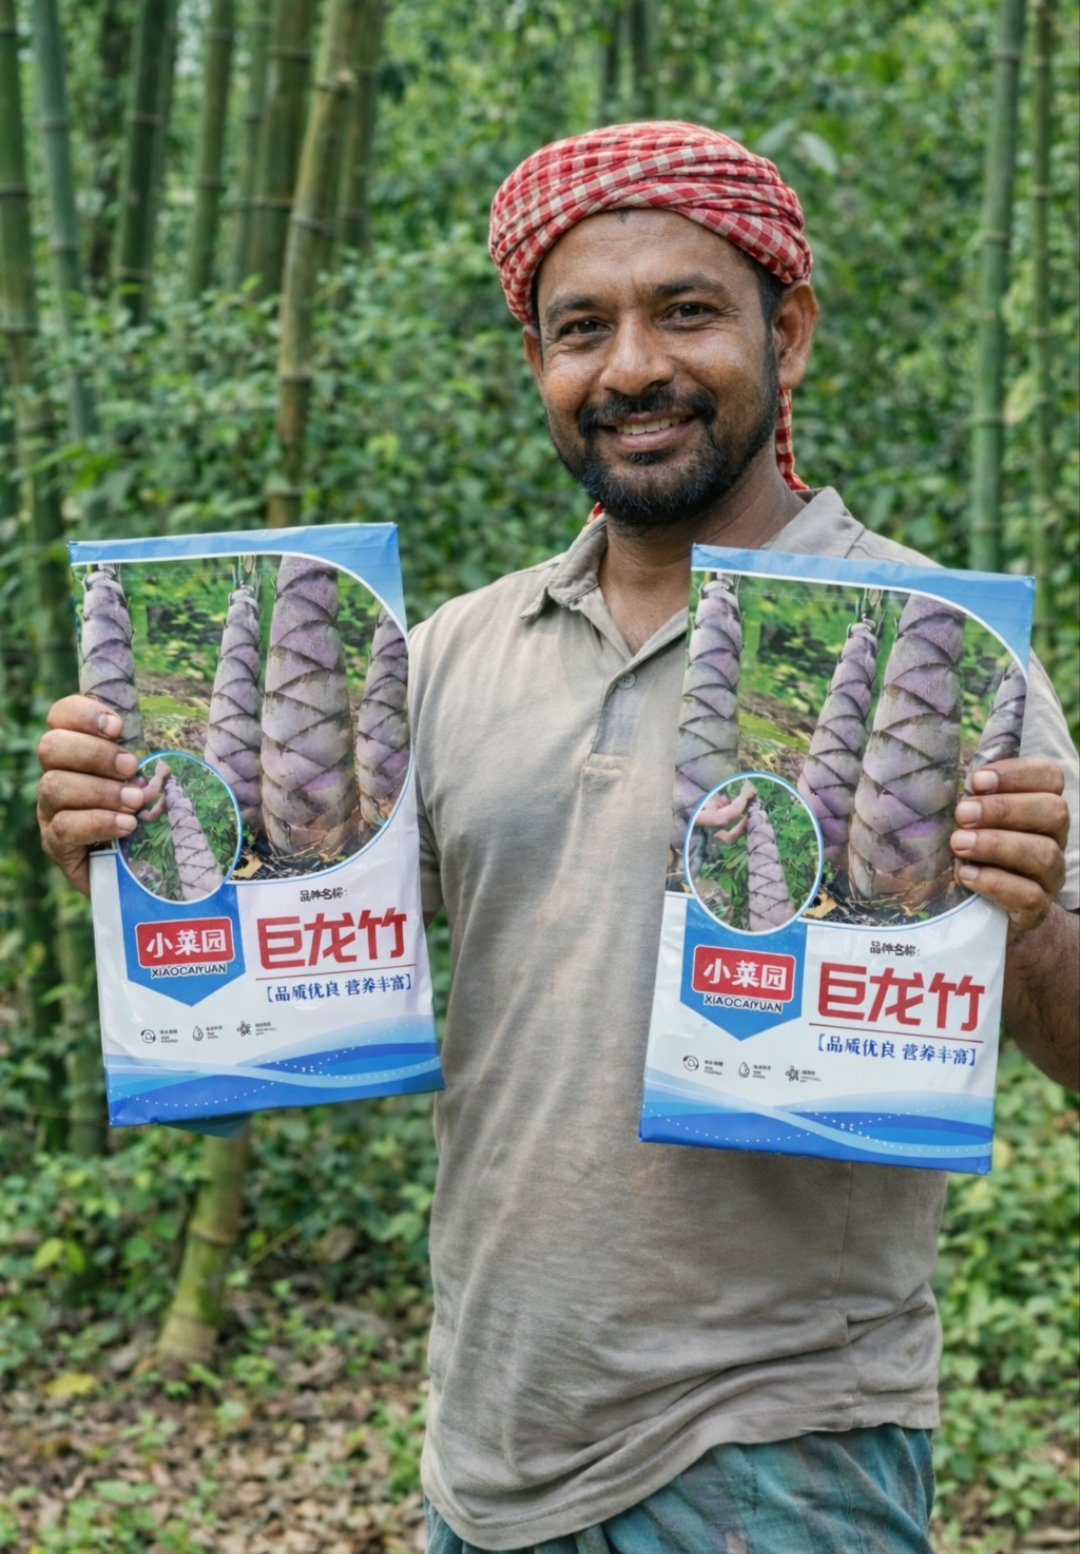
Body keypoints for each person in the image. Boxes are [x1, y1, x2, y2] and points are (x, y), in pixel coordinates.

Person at [37, 123, 1078, 1553]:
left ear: (790, 335)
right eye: (582, 328)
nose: (633, 366)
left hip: (778, 1450)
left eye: (688, 311)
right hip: (486, 1442)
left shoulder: (942, 651)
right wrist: (128, 847)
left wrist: (1022, 917)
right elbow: (281, 957)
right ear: (538, 363)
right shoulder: (448, 655)